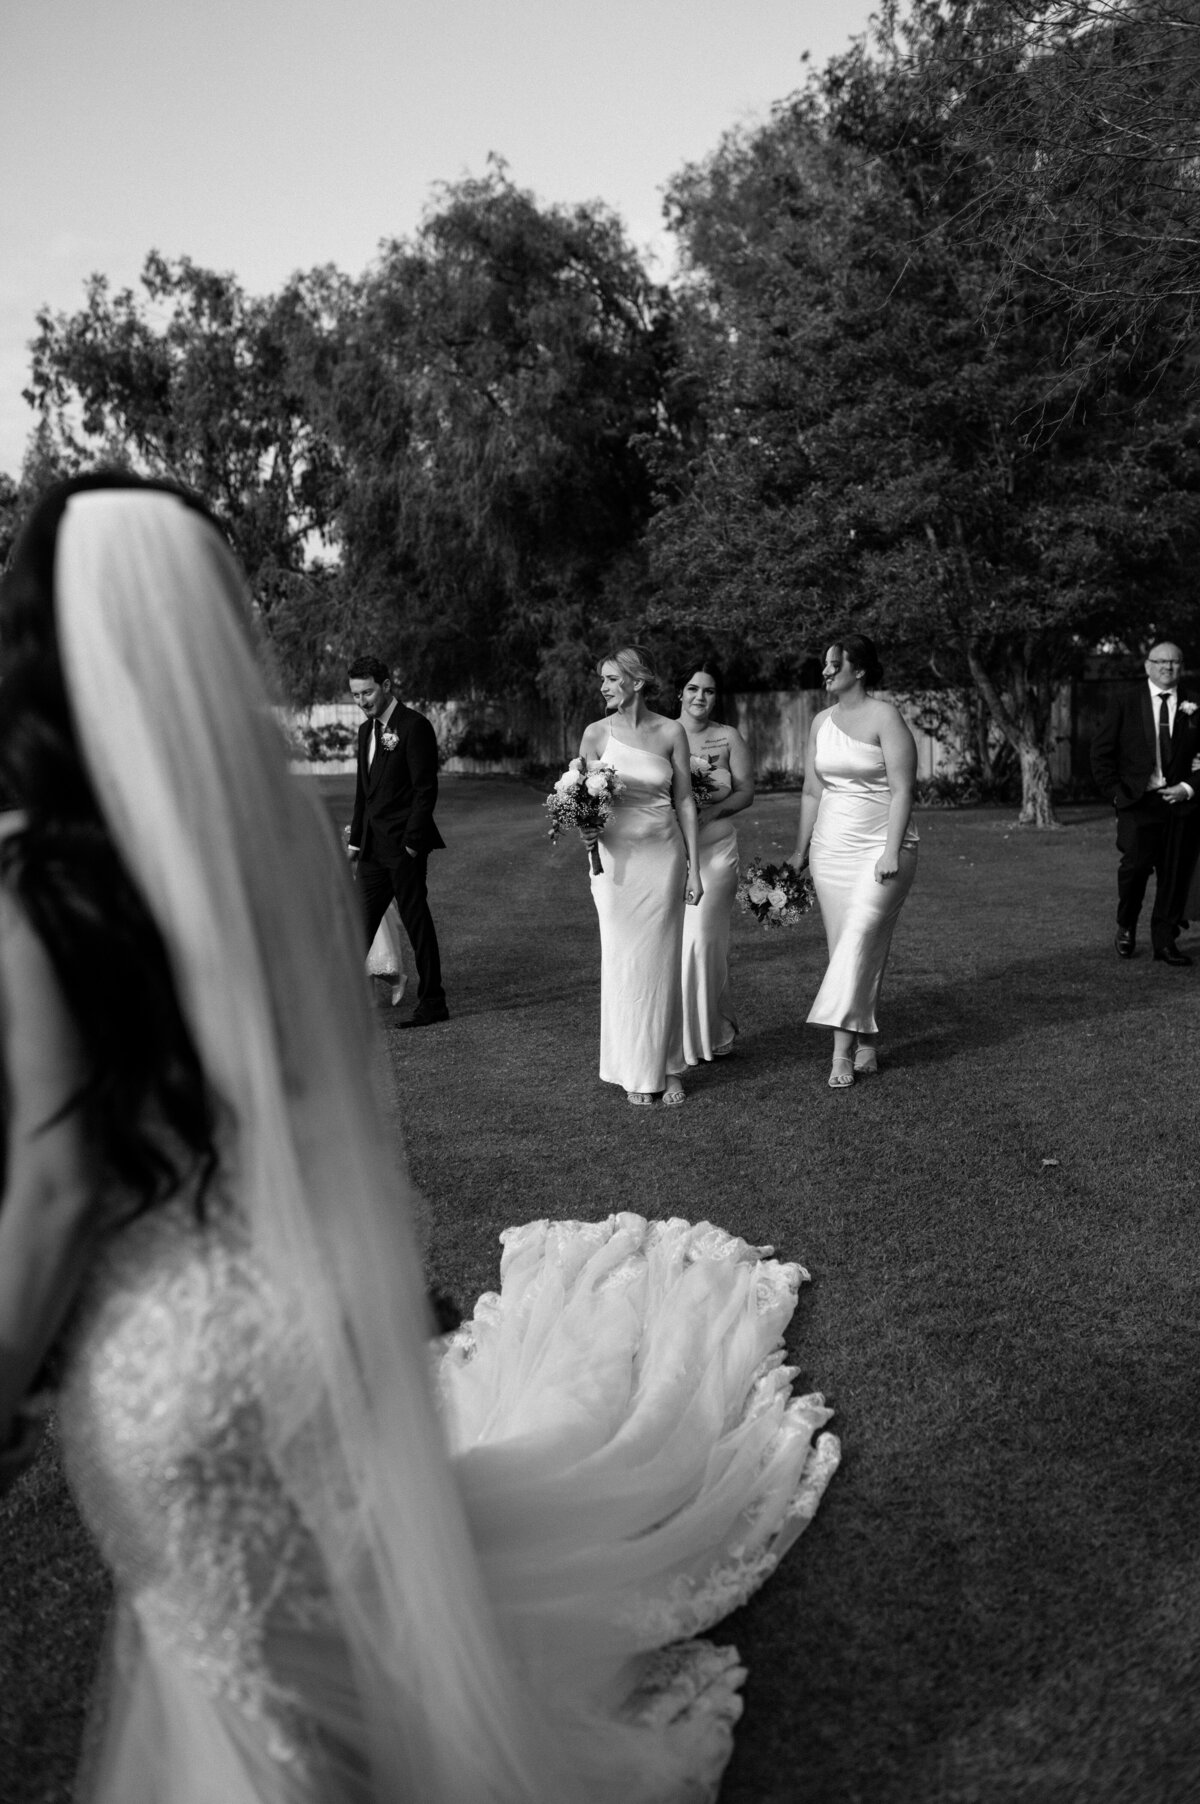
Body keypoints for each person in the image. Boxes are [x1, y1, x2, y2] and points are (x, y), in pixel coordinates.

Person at [0, 478, 839, 1803]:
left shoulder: (45, 885)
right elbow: (324, 1086)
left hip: (169, 1352)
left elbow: (52, 1188)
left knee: (241, 1663)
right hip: (305, 1303)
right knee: (315, 1623)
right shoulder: (276, 835)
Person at [791, 635, 918, 1089]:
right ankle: (866, 1041)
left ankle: (840, 1053)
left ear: (858, 670)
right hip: (831, 850)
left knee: (859, 934)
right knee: (849, 946)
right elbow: (812, 791)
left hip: (882, 848)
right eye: (825, 664)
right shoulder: (820, 722)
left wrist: (890, 850)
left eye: (834, 663)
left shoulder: (886, 717)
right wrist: (801, 851)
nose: (825, 670)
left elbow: (903, 789)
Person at [579, 647, 703, 1106]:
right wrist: (585, 827)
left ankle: (669, 1067)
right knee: (625, 963)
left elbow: (684, 800)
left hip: (662, 859)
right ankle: (634, 1067)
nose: (604, 687)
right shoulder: (595, 734)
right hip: (614, 866)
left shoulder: (671, 731)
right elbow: (584, 801)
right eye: (603, 680)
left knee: (661, 964)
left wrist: (693, 867)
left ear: (637, 681)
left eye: (612, 679)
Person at [346, 654, 448, 1026]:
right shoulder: (365, 732)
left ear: (386, 685)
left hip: (404, 849)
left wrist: (411, 845)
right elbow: (364, 794)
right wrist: (356, 844)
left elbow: (425, 791)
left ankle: (433, 1002)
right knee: (358, 925)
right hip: (372, 851)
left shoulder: (414, 726)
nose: (362, 701)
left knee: (416, 923)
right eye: (356, 695)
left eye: (368, 692)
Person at [1090, 640, 1200, 966]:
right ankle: (1126, 924)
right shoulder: (1125, 701)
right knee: (1135, 868)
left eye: (1174, 662)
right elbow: (1101, 753)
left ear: (1181, 666)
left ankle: (1165, 942)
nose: (1168, 667)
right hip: (1138, 802)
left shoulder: (1196, 704)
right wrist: (1116, 794)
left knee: (1174, 874)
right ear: (1147, 665)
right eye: (1161, 661)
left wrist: (1188, 788)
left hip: (1181, 804)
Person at [676, 661, 754, 1064]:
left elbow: (745, 792)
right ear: (680, 693)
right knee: (674, 944)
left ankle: (712, 1030)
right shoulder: (663, 733)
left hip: (716, 850)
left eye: (708, 690)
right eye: (693, 688)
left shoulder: (728, 737)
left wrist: (713, 812)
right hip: (671, 850)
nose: (700, 697)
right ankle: (683, 1036)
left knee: (704, 940)